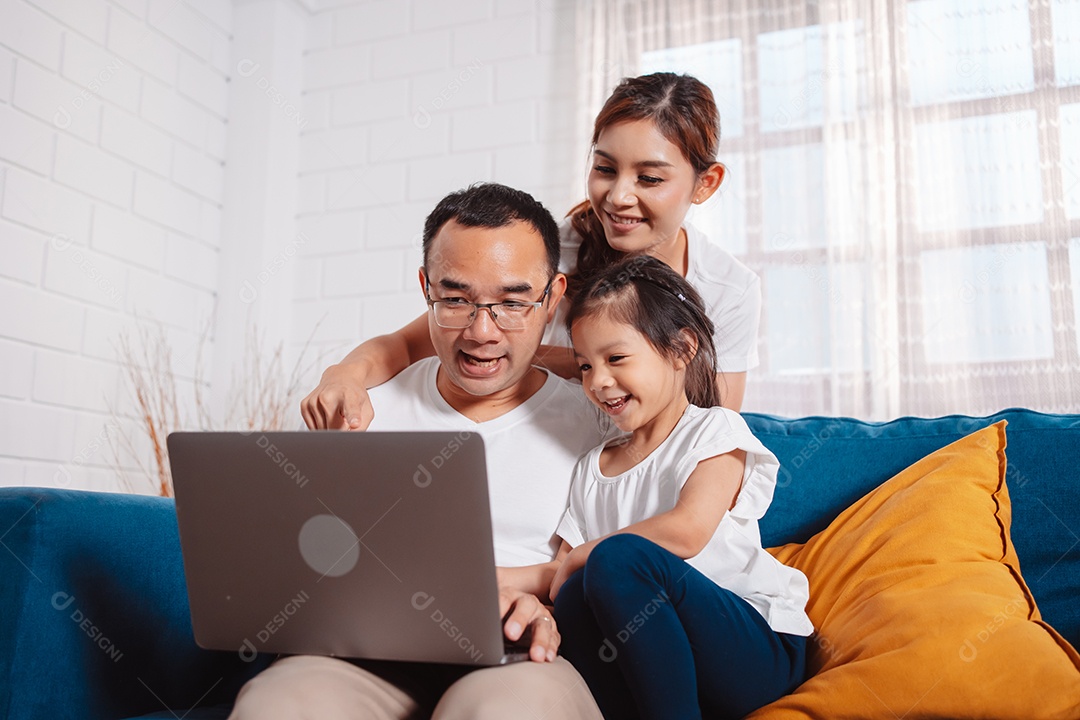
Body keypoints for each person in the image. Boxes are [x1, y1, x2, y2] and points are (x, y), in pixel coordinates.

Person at [229, 183, 616, 720]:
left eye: (511, 302)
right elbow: (291, 568)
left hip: (523, 656)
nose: (482, 332)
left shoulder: (602, 420)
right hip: (363, 657)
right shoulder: (359, 413)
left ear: (552, 297)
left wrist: (551, 605)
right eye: (455, 299)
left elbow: (627, 568)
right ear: (425, 289)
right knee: (277, 706)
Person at [301, 72, 760, 432]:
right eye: (604, 168)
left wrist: (561, 360)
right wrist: (343, 375)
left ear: (706, 183)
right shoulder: (546, 251)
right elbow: (407, 343)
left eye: (650, 178)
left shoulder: (729, 289)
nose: (618, 196)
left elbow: (710, 424)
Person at [547, 255, 811, 720]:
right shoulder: (592, 467)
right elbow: (559, 574)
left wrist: (586, 553)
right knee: (572, 597)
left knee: (614, 559)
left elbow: (688, 531)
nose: (598, 381)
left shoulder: (715, 433)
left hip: (755, 650)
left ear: (681, 349)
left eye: (616, 358)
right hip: (660, 660)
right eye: (584, 366)